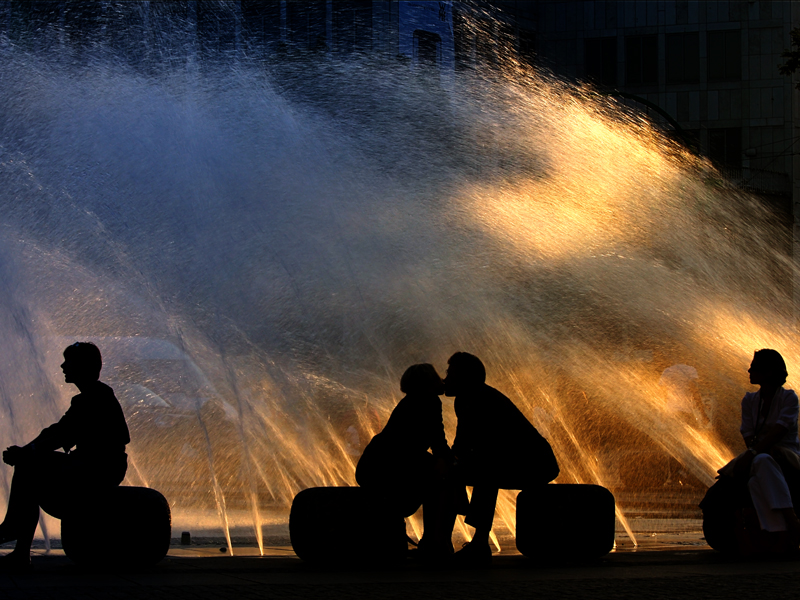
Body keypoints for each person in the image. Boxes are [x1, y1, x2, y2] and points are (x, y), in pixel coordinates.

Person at [0, 342, 130, 569]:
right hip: (89, 464)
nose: (62, 366)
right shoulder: (88, 397)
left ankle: (14, 534)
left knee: (29, 466)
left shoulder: (97, 397)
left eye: (68, 361)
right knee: (29, 466)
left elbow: (60, 436)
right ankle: (19, 547)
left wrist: (26, 453)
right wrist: (26, 451)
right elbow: (55, 432)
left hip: (100, 468)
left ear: (83, 366)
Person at [444, 352, 559, 565]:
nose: (445, 379)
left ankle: (479, 543)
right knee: (461, 470)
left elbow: (483, 448)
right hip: (512, 461)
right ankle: (443, 540)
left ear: (464, 378)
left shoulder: (482, 401)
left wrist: (454, 464)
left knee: (486, 472)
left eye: (450, 374)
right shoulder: (466, 400)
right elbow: (461, 445)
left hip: (537, 464)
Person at [356, 364, 456, 559]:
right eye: (437, 378)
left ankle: (433, 541)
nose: (442, 381)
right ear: (427, 384)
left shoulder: (411, 402)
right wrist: (452, 460)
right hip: (389, 466)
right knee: (444, 480)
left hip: (375, 465)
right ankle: (436, 542)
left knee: (440, 475)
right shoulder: (429, 402)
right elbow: (438, 442)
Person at [709, 349, 800, 553]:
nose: (749, 369)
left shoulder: (789, 398)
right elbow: (748, 433)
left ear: (769, 372)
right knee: (756, 475)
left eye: (755, 366)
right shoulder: (749, 400)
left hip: (788, 455)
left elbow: (780, 430)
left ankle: (786, 527)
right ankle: (786, 529)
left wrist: (752, 452)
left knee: (759, 464)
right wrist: (755, 451)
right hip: (762, 455)